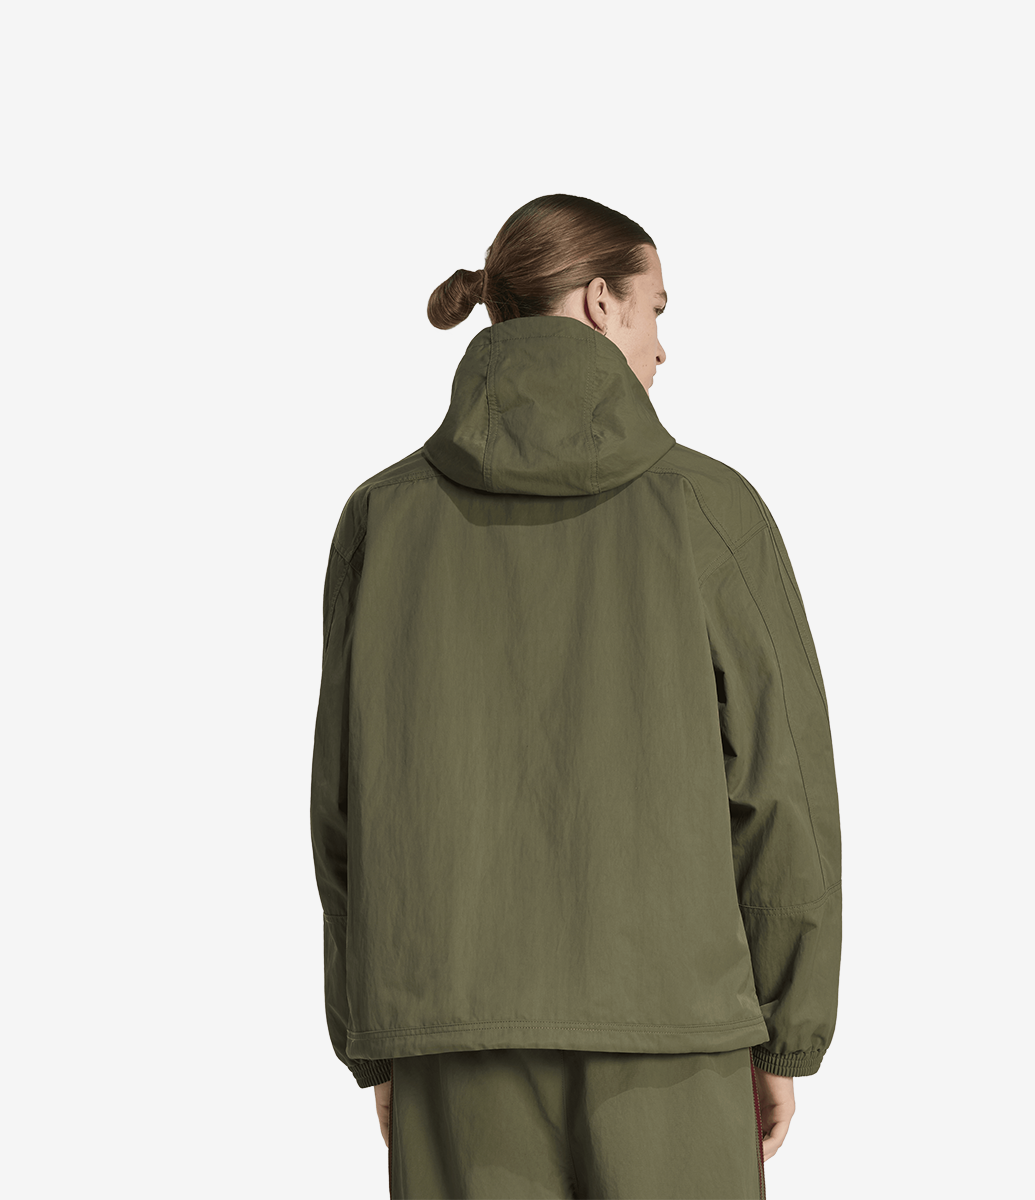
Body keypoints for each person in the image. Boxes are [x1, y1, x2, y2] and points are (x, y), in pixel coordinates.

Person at [309, 194, 842, 1200]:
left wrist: (377, 1035)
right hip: (677, 1040)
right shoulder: (711, 510)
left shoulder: (382, 517)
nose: (662, 346)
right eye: (656, 310)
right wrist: (786, 1031)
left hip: (451, 1035)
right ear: (601, 303)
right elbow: (786, 794)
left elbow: (342, 804)